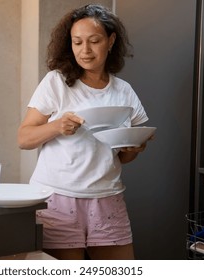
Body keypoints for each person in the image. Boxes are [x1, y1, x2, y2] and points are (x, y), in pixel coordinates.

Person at [18, 4, 151, 260]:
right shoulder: (56, 82)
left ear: (110, 41)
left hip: (107, 198)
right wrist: (57, 126)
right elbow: (24, 138)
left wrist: (135, 147)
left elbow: (124, 157)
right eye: (77, 42)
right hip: (57, 198)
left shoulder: (123, 91)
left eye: (94, 41)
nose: (85, 50)